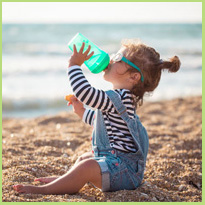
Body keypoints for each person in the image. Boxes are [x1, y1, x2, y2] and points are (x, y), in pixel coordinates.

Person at [13, 40, 180, 194]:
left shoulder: (120, 97)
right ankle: (66, 181)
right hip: (115, 164)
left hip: (124, 173)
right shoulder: (119, 99)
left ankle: (45, 190)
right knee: (84, 158)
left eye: (118, 57)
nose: (111, 60)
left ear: (133, 77)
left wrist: (74, 65)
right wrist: (82, 111)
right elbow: (102, 123)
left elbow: (85, 93)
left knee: (87, 165)